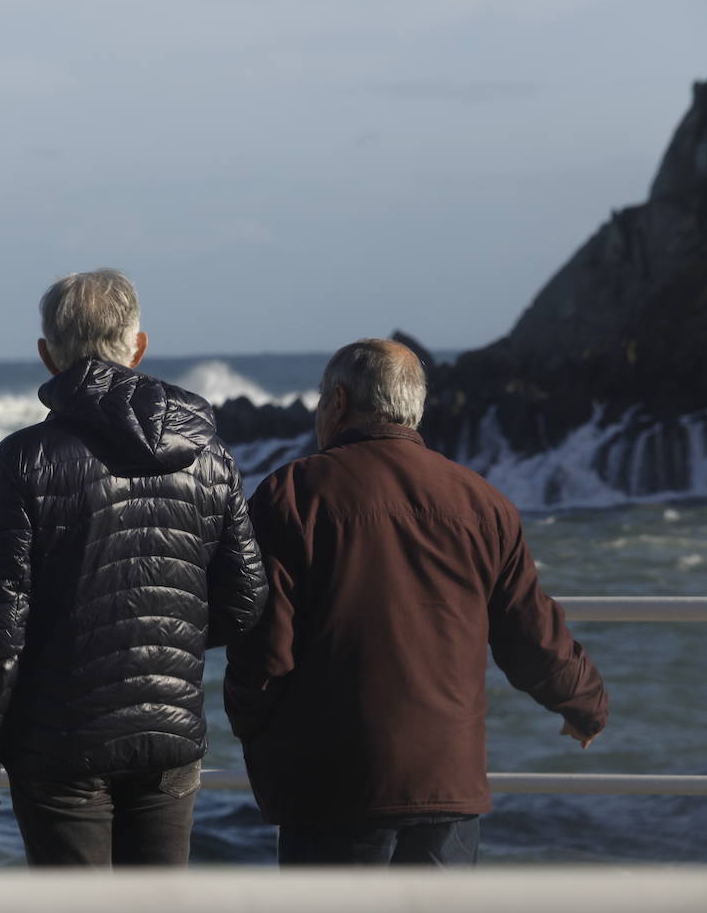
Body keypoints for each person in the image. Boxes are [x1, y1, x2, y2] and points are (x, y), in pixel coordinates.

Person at [225, 338, 609, 866]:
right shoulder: (483, 502)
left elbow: (267, 646)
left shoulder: (292, 495)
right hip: (447, 777)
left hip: (334, 782)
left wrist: (249, 724)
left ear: (338, 401)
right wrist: (582, 704)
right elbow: (530, 631)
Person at [0, 268, 268, 866]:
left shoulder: (22, 460)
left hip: (59, 742)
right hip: (169, 737)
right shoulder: (209, 456)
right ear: (139, 345)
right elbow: (245, 599)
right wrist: (163, 636)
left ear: (48, 356)